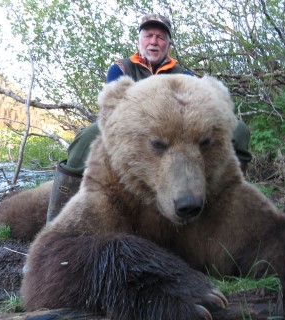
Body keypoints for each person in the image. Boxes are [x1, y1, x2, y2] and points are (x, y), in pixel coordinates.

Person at [46, 13, 252, 222]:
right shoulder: (122, 68)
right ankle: (56, 219)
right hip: (135, 131)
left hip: (180, 136)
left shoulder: (183, 74)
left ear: (168, 44)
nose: (154, 41)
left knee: (239, 130)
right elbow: (115, 114)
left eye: (160, 37)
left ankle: (227, 202)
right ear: (139, 41)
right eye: (149, 35)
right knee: (86, 137)